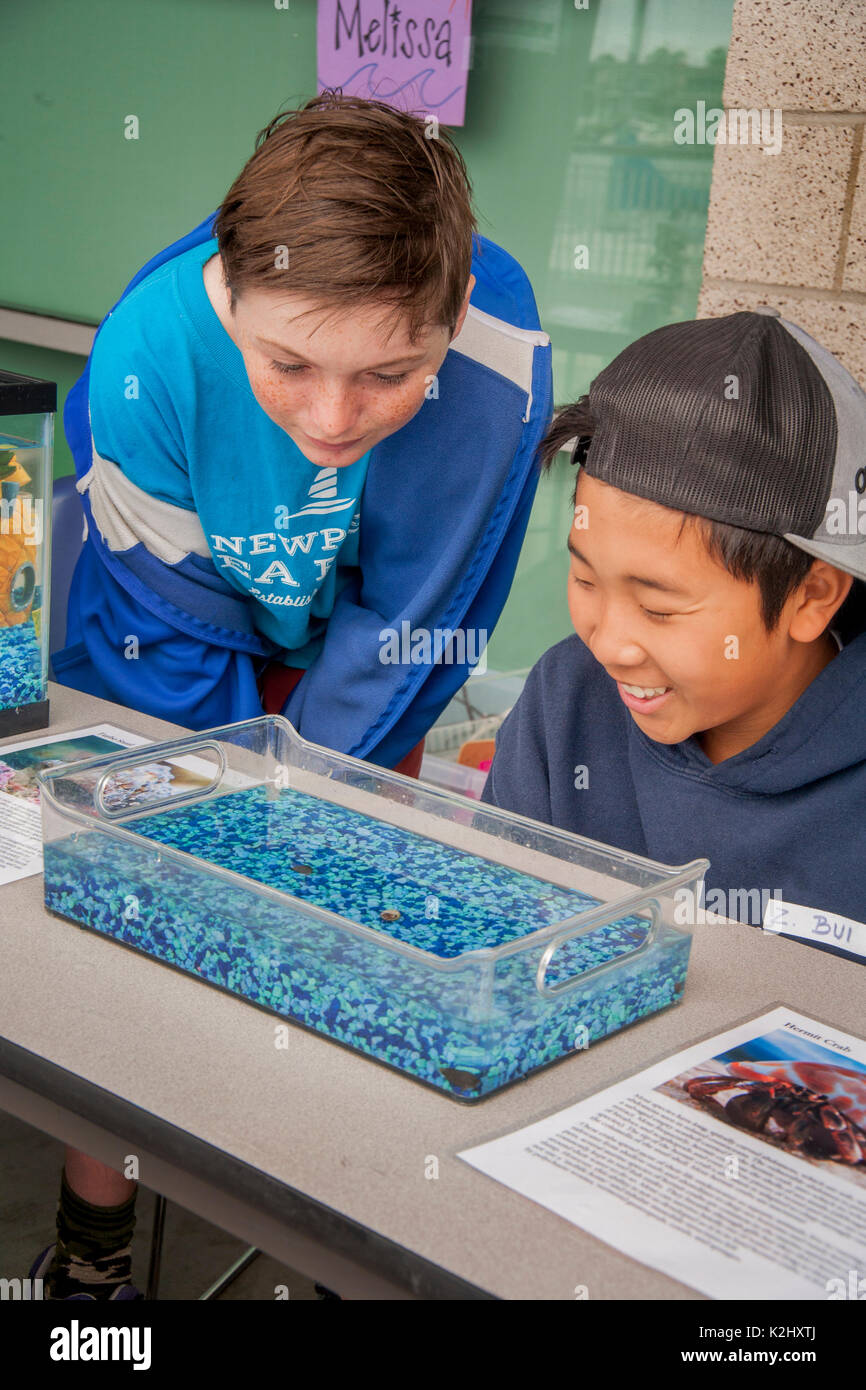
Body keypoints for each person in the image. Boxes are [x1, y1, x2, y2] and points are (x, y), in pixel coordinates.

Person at [36, 91, 552, 1299]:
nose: (332, 419)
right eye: (290, 364)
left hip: (361, 648)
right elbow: (167, 648)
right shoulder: (145, 356)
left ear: (446, 321)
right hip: (170, 628)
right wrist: (211, 842)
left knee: (351, 934)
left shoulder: (492, 353)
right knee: (137, 913)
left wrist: (307, 826)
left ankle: (342, 1238)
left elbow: (412, 623)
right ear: (230, 294)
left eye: (388, 373)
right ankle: (92, 1256)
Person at [482, 309, 866, 947]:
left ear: (811, 595)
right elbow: (495, 926)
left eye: (659, 609)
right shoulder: (567, 701)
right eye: (584, 580)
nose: (607, 643)